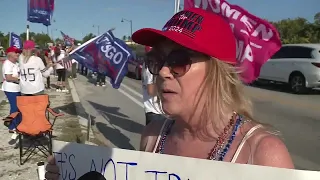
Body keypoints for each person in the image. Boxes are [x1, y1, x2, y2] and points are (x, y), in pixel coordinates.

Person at [45, 8, 293, 179]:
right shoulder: (153, 135)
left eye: (178, 60)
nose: (162, 71)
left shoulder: (263, 154)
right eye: (156, 60)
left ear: (218, 70)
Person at [2, 46, 22, 132]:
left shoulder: (16, 63)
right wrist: (20, 79)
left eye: (18, 52)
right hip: (10, 88)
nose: (18, 54)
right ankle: (12, 127)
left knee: (19, 107)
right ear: (10, 54)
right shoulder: (7, 63)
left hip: (17, 88)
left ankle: (19, 123)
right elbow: (8, 78)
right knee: (14, 107)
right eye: (16, 52)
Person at [142, 60, 165, 125]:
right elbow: (151, 91)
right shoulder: (152, 68)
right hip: (156, 111)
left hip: (153, 110)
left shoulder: (148, 64)